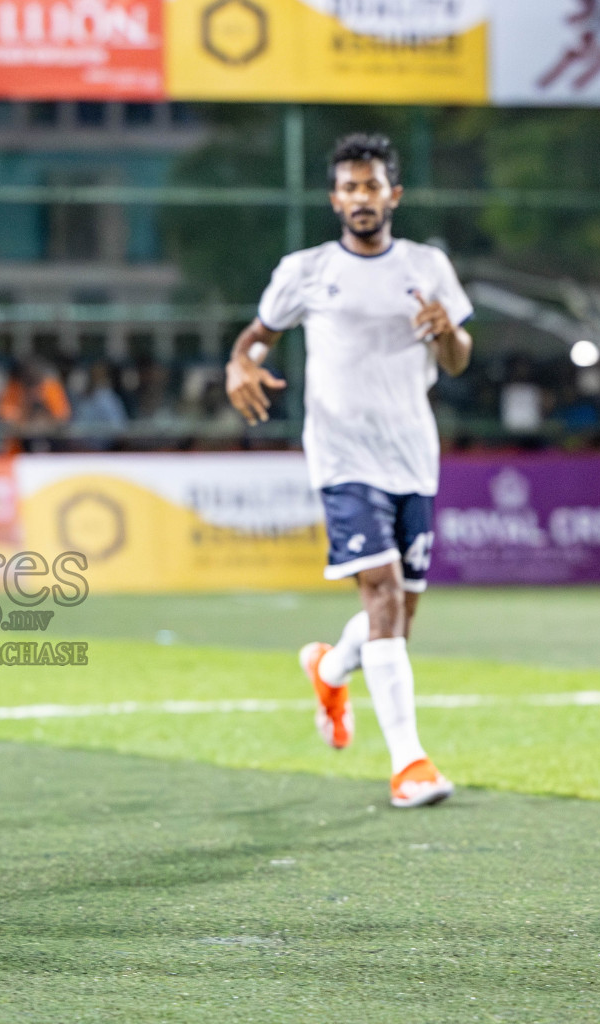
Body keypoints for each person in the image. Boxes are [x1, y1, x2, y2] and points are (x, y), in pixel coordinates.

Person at [224, 132, 473, 810]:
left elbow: (457, 360)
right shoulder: (304, 269)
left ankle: (330, 670)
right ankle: (409, 764)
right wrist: (238, 362)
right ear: (335, 199)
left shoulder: (428, 266)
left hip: (413, 456)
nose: (362, 198)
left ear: (393, 193)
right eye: (350, 188)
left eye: (373, 185)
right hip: (341, 455)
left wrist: (447, 331)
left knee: (401, 610)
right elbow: (257, 336)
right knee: (385, 595)